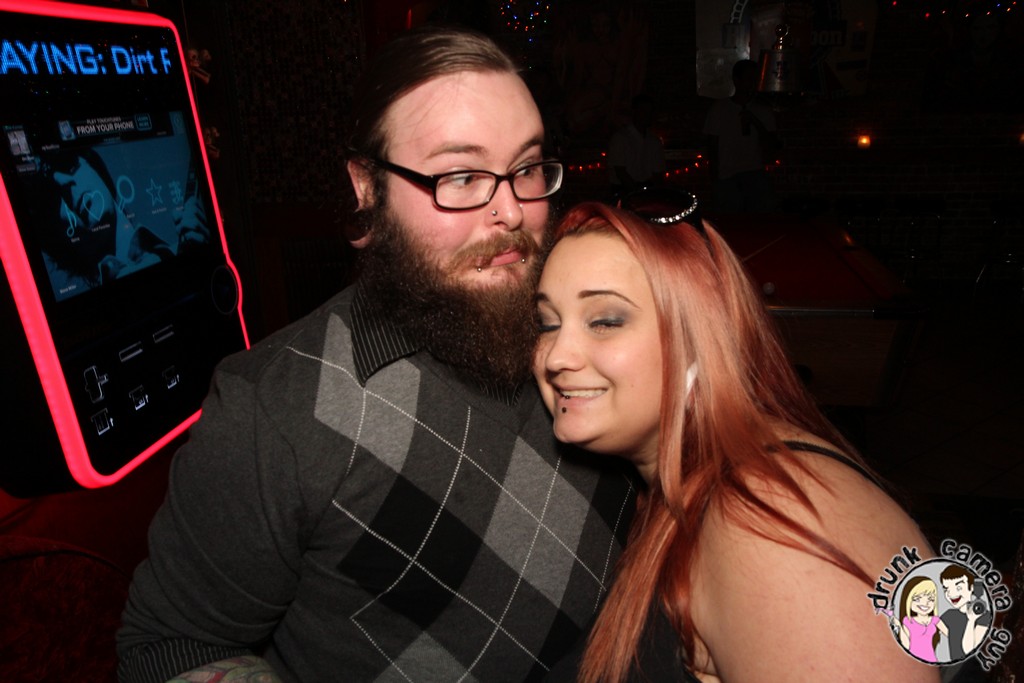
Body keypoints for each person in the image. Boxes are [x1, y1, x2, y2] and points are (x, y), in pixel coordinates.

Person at [116, 26, 636, 683]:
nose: (510, 210)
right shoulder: (272, 414)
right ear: (366, 187)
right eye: (460, 175)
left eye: (527, 168)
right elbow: (170, 648)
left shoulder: (595, 327)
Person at [532, 199, 940, 682]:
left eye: (605, 321)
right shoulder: (670, 487)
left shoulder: (766, 520)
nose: (556, 356)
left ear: (700, 335)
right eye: (548, 323)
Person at [38, 147, 208, 295]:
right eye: (53, 196)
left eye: (68, 165)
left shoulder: (187, 250)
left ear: (96, 168)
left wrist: (205, 262)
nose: (65, 184)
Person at [702, 59, 780, 213]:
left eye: (754, 79)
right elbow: (712, 145)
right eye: (748, 78)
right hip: (727, 176)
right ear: (736, 80)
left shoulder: (763, 110)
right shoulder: (720, 109)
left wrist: (755, 122)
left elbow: (772, 144)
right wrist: (715, 178)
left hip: (755, 173)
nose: (752, 83)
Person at [606, 94, 665, 198]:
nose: (646, 115)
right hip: (623, 191)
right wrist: (636, 193)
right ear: (634, 112)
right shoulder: (620, 138)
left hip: (647, 191)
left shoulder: (654, 141)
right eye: (643, 111)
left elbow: (658, 173)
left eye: (649, 112)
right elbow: (620, 171)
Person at [940, 565, 992, 660]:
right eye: (946, 589)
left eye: (959, 588)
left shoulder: (984, 616)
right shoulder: (949, 615)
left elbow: (968, 650)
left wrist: (971, 620)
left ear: (971, 587)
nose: (951, 593)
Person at [893, 576, 947, 662]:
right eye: (917, 599)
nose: (925, 603)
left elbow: (951, 635)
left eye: (931, 599)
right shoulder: (908, 621)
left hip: (931, 659)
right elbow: (906, 645)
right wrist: (899, 626)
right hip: (912, 660)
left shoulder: (935, 620)